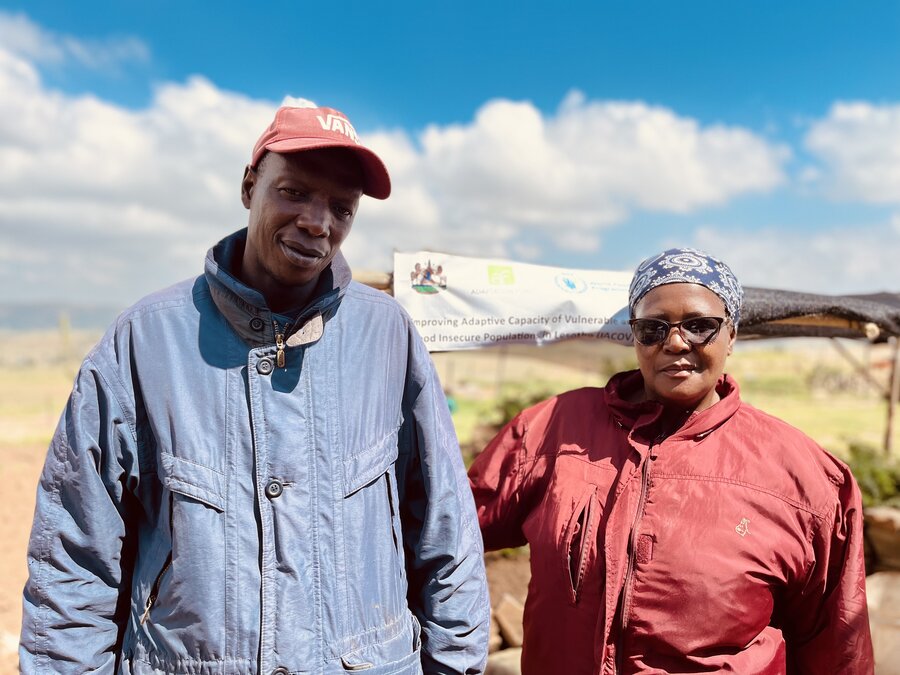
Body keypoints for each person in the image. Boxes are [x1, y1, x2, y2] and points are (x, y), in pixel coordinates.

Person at [21, 104, 490, 674]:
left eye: (341, 208)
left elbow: (447, 534)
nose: (318, 222)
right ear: (250, 186)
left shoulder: (388, 337)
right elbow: (75, 557)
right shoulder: (144, 342)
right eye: (294, 192)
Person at [469, 248, 874, 674]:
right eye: (652, 328)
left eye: (700, 326)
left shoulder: (806, 478)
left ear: (731, 335)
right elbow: (447, 533)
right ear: (634, 336)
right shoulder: (552, 430)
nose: (676, 342)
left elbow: (837, 647)